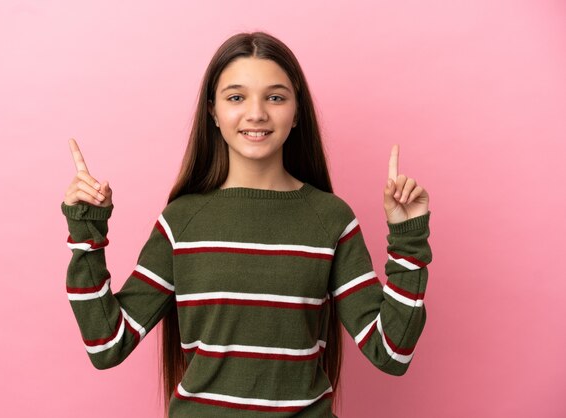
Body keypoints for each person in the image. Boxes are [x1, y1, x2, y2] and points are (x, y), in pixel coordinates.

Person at [61, 31, 432, 418]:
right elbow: (107, 345)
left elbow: (391, 352)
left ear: (296, 111)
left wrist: (408, 239)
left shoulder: (331, 219)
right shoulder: (181, 221)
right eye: (236, 97)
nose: (256, 113)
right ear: (213, 112)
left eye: (275, 96)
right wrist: (86, 232)